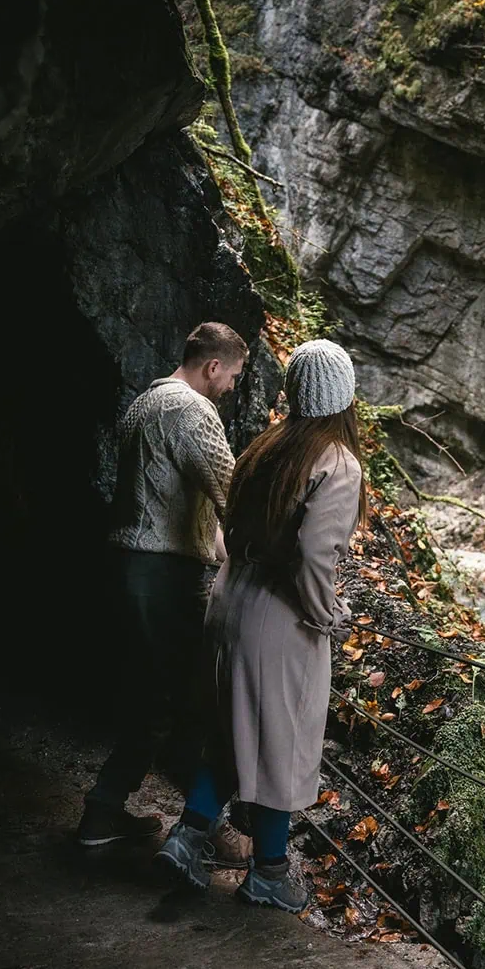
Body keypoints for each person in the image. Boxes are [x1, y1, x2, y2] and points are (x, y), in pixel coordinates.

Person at [154, 340, 366, 911]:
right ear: (344, 396)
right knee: (282, 743)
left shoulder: (267, 447)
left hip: (229, 601)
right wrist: (325, 616)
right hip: (277, 619)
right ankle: (270, 871)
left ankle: (187, 836)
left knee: (230, 733)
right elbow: (316, 557)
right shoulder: (336, 463)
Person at [75, 321, 252, 866]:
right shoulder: (192, 412)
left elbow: (186, 507)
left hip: (131, 567)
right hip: (165, 576)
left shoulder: (145, 402)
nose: (232, 389)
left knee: (152, 697)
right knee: (191, 700)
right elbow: (232, 498)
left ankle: (103, 813)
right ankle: (202, 827)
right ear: (213, 366)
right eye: (234, 376)